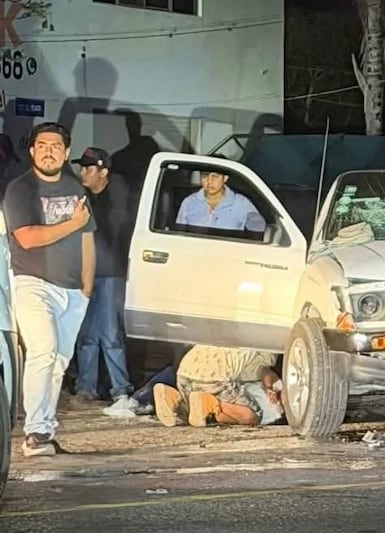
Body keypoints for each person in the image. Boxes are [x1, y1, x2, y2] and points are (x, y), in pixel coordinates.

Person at [2, 122, 96, 457]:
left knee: (58, 360)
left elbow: (88, 238)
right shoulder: (20, 189)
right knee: (43, 349)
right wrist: (71, 223)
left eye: (56, 146)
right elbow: (26, 237)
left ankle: (45, 429)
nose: (48, 150)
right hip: (32, 282)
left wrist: (87, 287)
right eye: (42, 145)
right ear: (32, 150)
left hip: (72, 290)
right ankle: (33, 434)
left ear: (66, 152)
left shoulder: (75, 187)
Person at [71, 147, 136, 413]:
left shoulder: (117, 196)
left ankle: (120, 388)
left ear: (103, 172)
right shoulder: (82, 198)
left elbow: (116, 230)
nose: (82, 173)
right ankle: (86, 387)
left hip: (111, 272)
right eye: (82, 168)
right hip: (85, 272)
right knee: (86, 334)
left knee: (109, 333)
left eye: (88, 168)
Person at [152, 345, 284, 428]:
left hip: (185, 371)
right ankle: (209, 404)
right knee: (251, 415)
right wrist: (271, 386)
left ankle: (173, 399)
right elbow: (265, 370)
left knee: (192, 413)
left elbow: (265, 373)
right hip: (214, 374)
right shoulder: (268, 344)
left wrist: (269, 386)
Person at [175, 167, 266, 232]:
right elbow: (179, 234)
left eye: (215, 176)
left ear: (225, 178)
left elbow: (258, 230)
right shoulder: (189, 202)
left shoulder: (241, 203)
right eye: (205, 176)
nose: (210, 181)